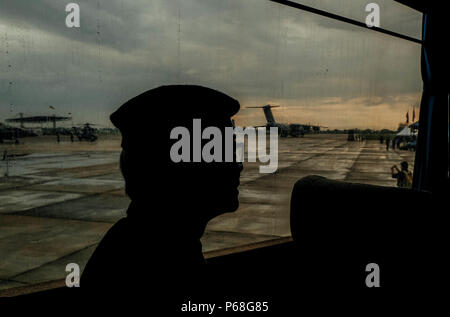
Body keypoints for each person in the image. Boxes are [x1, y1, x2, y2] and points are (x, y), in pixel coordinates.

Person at [81, 85, 242, 299]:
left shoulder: (158, 246)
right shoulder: (159, 265)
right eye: (224, 155)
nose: (238, 166)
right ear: (179, 170)